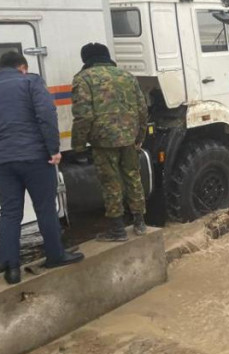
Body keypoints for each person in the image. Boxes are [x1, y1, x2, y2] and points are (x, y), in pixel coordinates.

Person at [0, 51, 83, 284]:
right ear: (22, 67)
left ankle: (11, 269)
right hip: (34, 157)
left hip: (2, 160)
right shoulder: (31, 81)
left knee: (10, 212)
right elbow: (46, 115)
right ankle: (55, 255)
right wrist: (53, 148)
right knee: (45, 207)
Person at [71, 42, 148, 242]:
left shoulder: (83, 79)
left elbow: (83, 116)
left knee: (111, 183)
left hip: (103, 141)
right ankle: (139, 222)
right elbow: (142, 109)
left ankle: (117, 229)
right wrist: (139, 137)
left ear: (86, 59)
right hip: (129, 138)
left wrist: (78, 146)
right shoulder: (127, 76)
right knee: (133, 177)